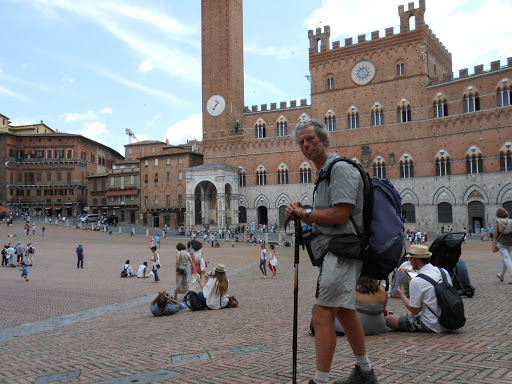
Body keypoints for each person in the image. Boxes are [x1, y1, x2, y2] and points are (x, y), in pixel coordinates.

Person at [285, 119, 378, 384]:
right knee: (345, 312)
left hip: (344, 250)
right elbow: (327, 215)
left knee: (322, 313)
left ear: (324, 140)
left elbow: (340, 213)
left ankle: (320, 380)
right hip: (337, 250)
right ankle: (365, 372)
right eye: (302, 141)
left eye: (311, 139)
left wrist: (305, 212)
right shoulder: (325, 173)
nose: (306, 145)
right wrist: (303, 213)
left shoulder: (340, 169)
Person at [385, 244, 453, 333]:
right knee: (408, 314)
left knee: (389, 319)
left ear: (416, 260)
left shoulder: (417, 280)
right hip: (450, 320)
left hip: (433, 324)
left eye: (410, 259)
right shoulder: (443, 272)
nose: (409, 262)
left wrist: (403, 295)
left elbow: (415, 310)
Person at [493, 207, 512, 283]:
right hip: (510, 242)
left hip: (501, 242)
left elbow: (495, 234)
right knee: (506, 258)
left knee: (506, 258)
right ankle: (502, 275)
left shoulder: (497, 221)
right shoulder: (511, 221)